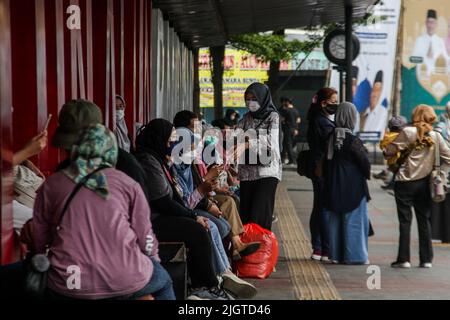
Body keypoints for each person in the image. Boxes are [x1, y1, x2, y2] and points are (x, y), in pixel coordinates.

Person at [33, 124, 175, 300]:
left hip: (68, 282)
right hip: (125, 279)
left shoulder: (51, 184)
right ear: (112, 152)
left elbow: (40, 236)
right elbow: (145, 237)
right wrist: (152, 259)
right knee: (164, 281)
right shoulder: (128, 184)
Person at [134, 119, 234, 300]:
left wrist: (193, 213)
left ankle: (211, 280)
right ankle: (205, 286)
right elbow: (163, 202)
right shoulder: (149, 162)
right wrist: (193, 215)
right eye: (169, 140)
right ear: (160, 138)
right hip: (152, 219)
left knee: (200, 226)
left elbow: (177, 197)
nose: (171, 144)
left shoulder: (159, 159)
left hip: (162, 214)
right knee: (196, 230)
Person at [385, 105, 450, 268]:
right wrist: (440, 174)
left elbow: (388, 151)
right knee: (424, 220)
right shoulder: (436, 136)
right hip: (425, 184)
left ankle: (404, 259)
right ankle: (426, 259)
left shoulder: (407, 132)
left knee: (405, 221)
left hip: (404, 183)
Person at [53, 100, 150, 202]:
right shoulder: (63, 171)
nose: (69, 151)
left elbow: (140, 213)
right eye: (68, 146)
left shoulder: (127, 167)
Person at [324, 102, 371, 265]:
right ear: (351, 117)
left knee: (336, 221)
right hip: (353, 186)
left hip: (333, 184)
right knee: (354, 222)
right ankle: (355, 256)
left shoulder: (331, 137)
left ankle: (336, 255)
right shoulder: (352, 140)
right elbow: (365, 163)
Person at [236, 83, 282, 231]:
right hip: (247, 173)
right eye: (247, 99)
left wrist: (248, 143)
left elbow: (271, 141)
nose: (250, 102)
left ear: (263, 98)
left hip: (266, 172)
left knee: (260, 214)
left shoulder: (273, 117)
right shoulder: (245, 118)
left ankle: (262, 251)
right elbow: (236, 136)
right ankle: (248, 252)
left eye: (254, 98)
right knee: (246, 215)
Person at [306, 87, 338, 261]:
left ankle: (317, 248)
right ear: (324, 103)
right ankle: (325, 248)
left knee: (318, 207)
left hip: (317, 168)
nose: (336, 105)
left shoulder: (316, 119)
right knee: (323, 208)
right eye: (333, 101)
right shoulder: (323, 122)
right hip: (322, 169)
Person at [412, 9, 449, 75]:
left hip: (435, 77)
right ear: (426, 23)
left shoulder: (440, 41)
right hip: (421, 75)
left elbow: (446, 59)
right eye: (429, 22)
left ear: (436, 24)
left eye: (433, 22)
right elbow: (413, 59)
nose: (430, 26)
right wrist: (424, 57)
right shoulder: (419, 40)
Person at [280, 97, 301, 165]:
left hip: (287, 129)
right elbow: (298, 121)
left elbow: (282, 119)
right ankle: (284, 159)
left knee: (288, 145)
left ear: (287, 102)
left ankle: (292, 160)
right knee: (287, 144)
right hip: (293, 130)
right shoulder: (296, 110)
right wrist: (296, 129)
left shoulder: (287, 111)